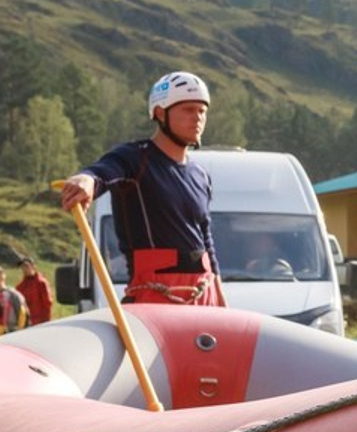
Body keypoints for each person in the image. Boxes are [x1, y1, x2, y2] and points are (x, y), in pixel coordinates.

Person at [59, 71, 226, 306]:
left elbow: (206, 238)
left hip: (203, 292)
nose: (197, 118)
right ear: (160, 113)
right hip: (154, 295)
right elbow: (103, 171)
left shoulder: (200, 175)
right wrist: (86, 180)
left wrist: (219, 298)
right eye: (188, 110)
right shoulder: (134, 158)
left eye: (202, 111)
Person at [15, 256, 52, 324]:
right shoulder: (20, 287)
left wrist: (46, 322)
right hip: (26, 322)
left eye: (26, 266)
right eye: (22, 267)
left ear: (33, 266)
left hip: (41, 322)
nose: (24, 269)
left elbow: (48, 304)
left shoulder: (41, 283)